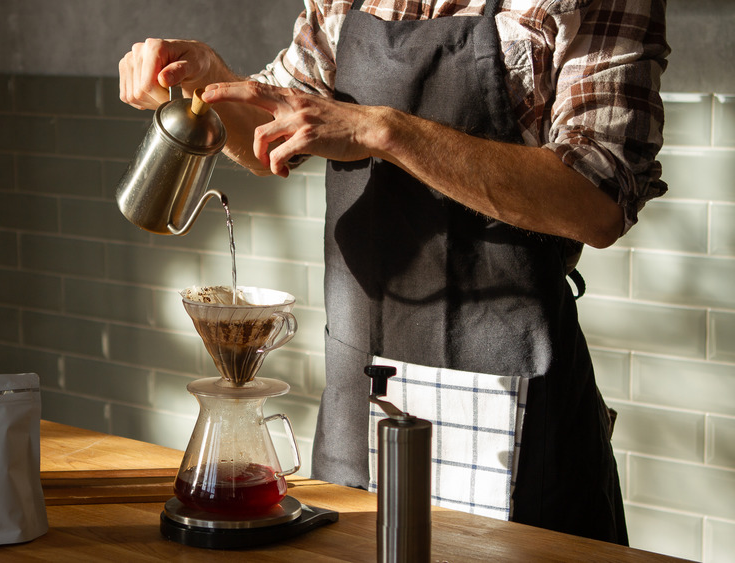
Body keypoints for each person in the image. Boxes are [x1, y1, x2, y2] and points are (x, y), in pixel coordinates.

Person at [119, 0, 668, 545]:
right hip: (360, 384)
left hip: (511, 389)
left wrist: (383, 131)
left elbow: (597, 199)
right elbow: (275, 133)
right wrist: (210, 84)